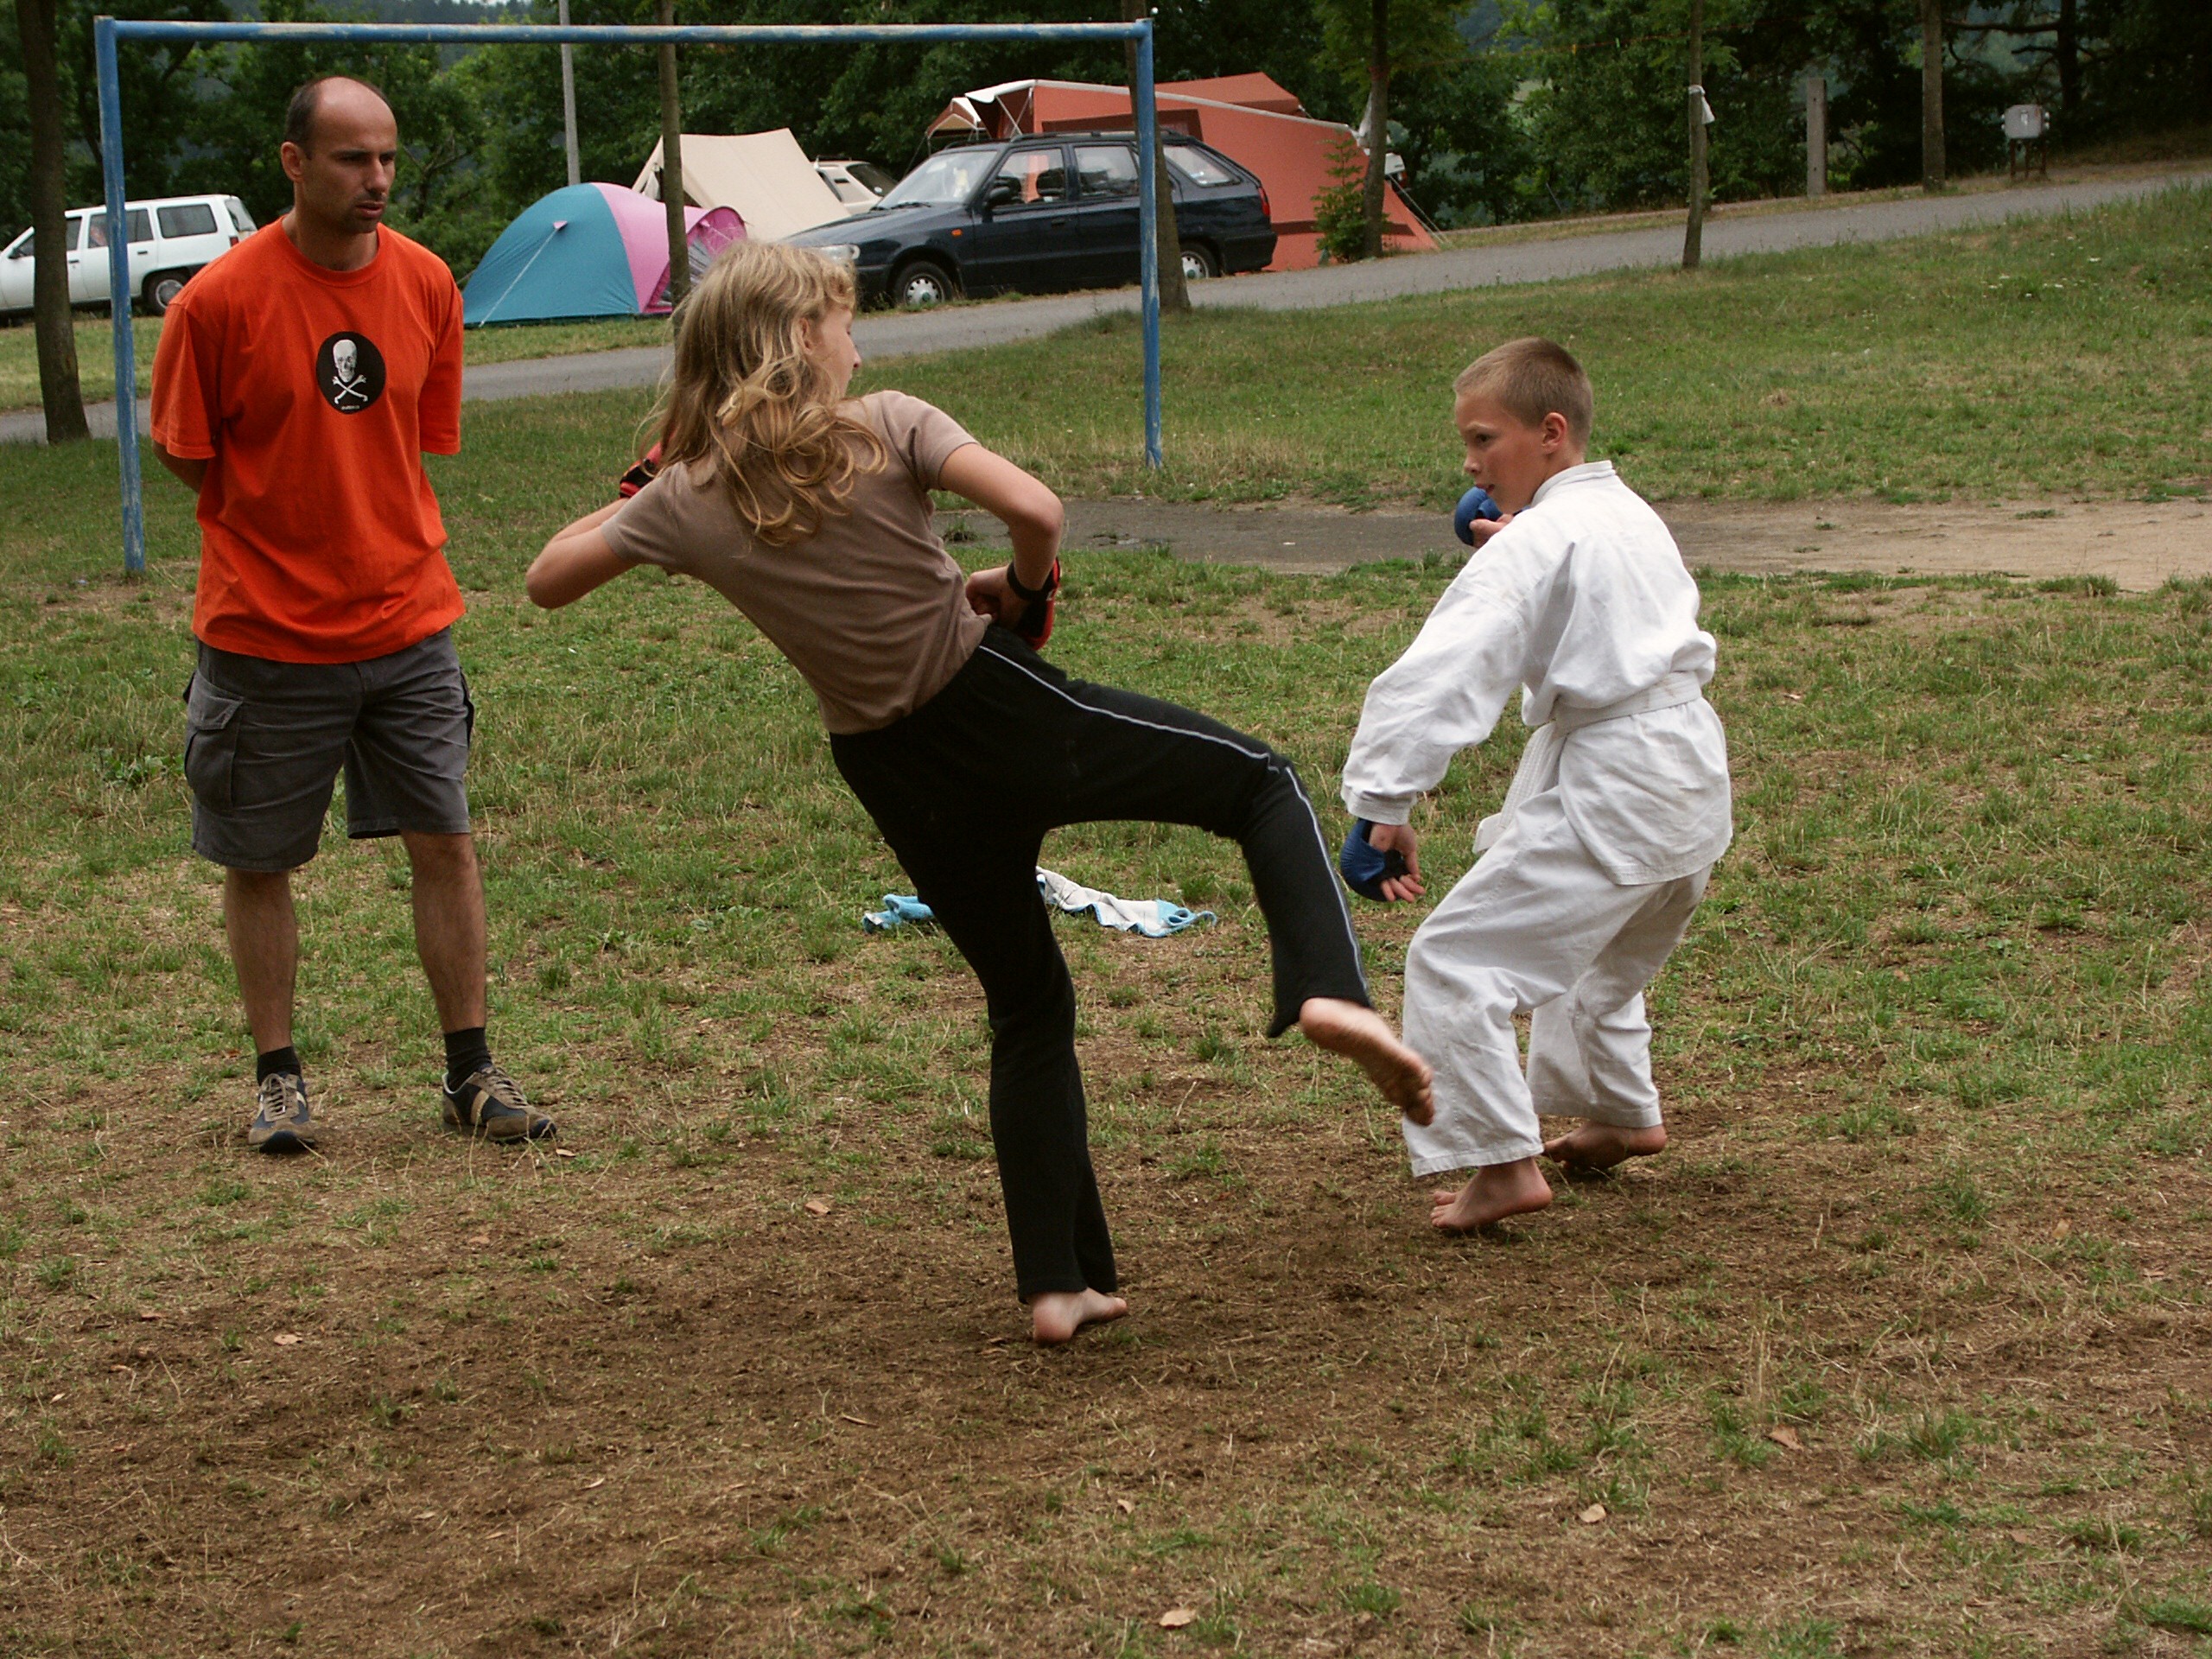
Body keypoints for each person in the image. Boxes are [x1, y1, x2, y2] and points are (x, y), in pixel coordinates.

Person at [526, 242, 1432, 1344]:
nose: (859, 349)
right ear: (800, 338)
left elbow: (546, 579)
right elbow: (1037, 510)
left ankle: (1057, 1285)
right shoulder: (887, 425)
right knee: (1260, 783)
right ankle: (1329, 991)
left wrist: (652, 483)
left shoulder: (684, 501)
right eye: (845, 325)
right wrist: (1026, 589)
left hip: (891, 772)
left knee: (1026, 1002)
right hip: (998, 710)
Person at [149, 76, 550, 1153]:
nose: (376, 178)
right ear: (293, 163)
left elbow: (413, 439)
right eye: (350, 158)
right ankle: (279, 1082)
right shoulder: (216, 303)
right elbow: (187, 453)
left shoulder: (425, 282)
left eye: (387, 157)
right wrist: (279, 533)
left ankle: (470, 1072)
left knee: (446, 842)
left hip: (409, 623)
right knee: (259, 861)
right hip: (264, 637)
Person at [1339, 338, 1732, 1232]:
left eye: (1484, 440)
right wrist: (1520, 549)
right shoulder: (1623, 512)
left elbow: (1447, 667)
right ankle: (1623, 1115)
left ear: (1550, 433)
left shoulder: (1537, 542)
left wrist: (1384, 801)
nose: (1470, 465)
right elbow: (1588, 599)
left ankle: (1502, 1165)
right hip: (1688, 786)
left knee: (1455, 961)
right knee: (1598, 957)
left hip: (1618, 787)